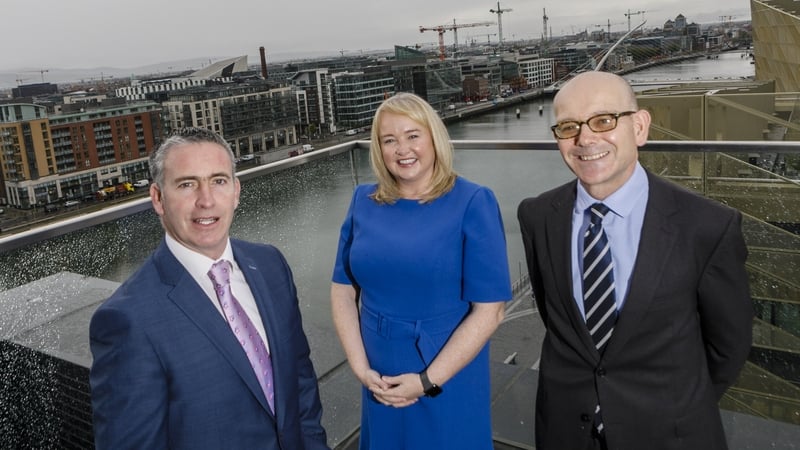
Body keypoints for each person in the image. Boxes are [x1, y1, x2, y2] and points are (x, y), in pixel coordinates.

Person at [517, 71, 753, 450]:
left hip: (670, 435)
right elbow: (557, 319)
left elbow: (730, 345)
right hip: (564, 433)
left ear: (640, 127)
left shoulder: (707, 226)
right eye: (568, 127)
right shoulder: (538, 215)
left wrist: (674, 406)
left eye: (604, 120)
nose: (586, 138)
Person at [90, 127, 329, 450]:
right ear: (158, 199)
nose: (206, 200)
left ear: (236, 191)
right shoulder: (128, 320)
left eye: (218, 181)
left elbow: (300, 381)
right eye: (187, 184)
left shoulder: (270, 265)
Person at [330, 92, 512, 449]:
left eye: (413, 135)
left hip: (445, 368)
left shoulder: (474, 202)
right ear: (378, 149)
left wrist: (427, 380)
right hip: (377, 372)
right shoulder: (362, 202)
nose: (402, 149)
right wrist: (360, 368)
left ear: (434, 138)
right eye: (389, 140)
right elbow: (342, 290)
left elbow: (490, 311)